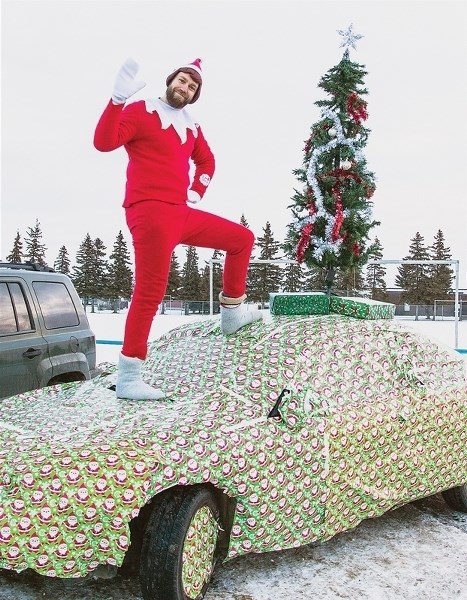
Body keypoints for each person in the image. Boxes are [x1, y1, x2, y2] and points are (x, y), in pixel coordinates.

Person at [94, 58, 262, 401]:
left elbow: (208, 160)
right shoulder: (143, 110)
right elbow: (104, 142)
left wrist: (197, 189)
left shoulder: (192, 125)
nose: (185, 88)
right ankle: (129, 376)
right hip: (150, 211)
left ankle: (231, 313)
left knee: (241, 239)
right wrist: (116, 101)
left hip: (180, 211)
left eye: (192, 86)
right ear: (170, 80)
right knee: (150, 291)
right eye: (182, 81)